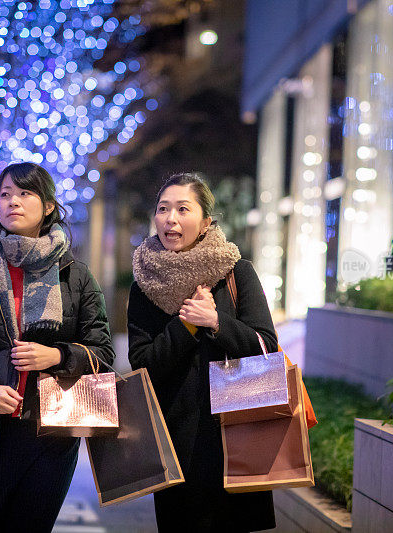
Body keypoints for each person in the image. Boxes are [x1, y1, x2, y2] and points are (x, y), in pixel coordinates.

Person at [0, 161, 115, 533]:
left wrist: (59, 355)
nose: (12, 201)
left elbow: (103, 355)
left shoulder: (75, 275)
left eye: (24, 193)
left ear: (48, 206)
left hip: (54, 433)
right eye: (4, 194)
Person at [127, 173, 278, 532]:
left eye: (183, 209)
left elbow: (266, 346)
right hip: (175, 445)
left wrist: (215, 321)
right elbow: (143, 365)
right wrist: (186, 327)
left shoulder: (236, 272)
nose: (170, 219)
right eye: (163, 209)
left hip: (236, 438)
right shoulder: (145, 283)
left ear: (206, 221)